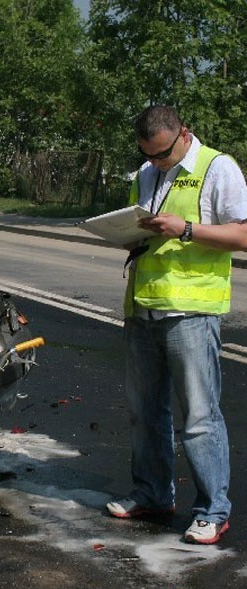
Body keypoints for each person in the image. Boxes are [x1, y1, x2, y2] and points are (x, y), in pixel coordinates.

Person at [107, 105, 247, 544]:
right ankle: (152, 493)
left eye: (162, 154)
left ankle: (212, 510)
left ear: (184, 134)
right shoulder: (145, 174)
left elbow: (242, 235)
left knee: (199, 417)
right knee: (146, 413)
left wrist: (185, 229)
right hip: (142, 308)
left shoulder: (217, 167)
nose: (155, 163)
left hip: (190, 312)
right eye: (148, 155)